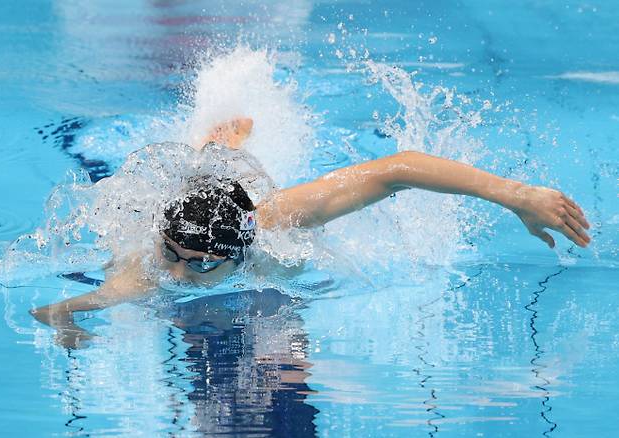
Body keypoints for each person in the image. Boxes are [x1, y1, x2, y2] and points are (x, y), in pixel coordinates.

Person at [31, 117, 591, 348]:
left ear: (239, 254)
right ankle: (215, 147)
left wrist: (518, 195)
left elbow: (398, 169)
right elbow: (65, 306)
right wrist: (63, 325)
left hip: (252, 213)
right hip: (198, 208)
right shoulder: (146, 272)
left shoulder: (275, 222)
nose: (177, 274)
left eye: (199, 264)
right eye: (171, 255)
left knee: (231, 180)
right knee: (204, 178)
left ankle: (221, 145)